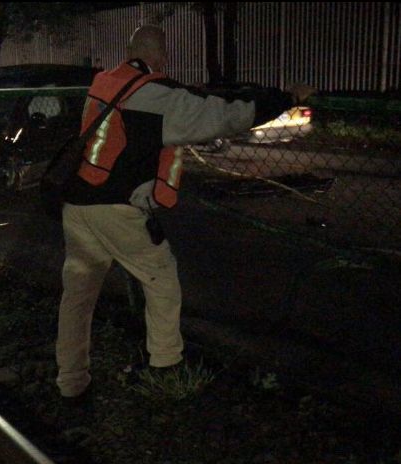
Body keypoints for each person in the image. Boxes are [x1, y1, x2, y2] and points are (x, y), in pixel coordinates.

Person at [55, 25, 315, 399]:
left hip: (78, 202)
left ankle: (71, 381)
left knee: (77, 296)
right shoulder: (156, 94)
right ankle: (165, 365)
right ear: (159, 55)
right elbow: (225, 114)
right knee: (161, 276)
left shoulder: (104, 82)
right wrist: (286, 97)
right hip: (114, 208)